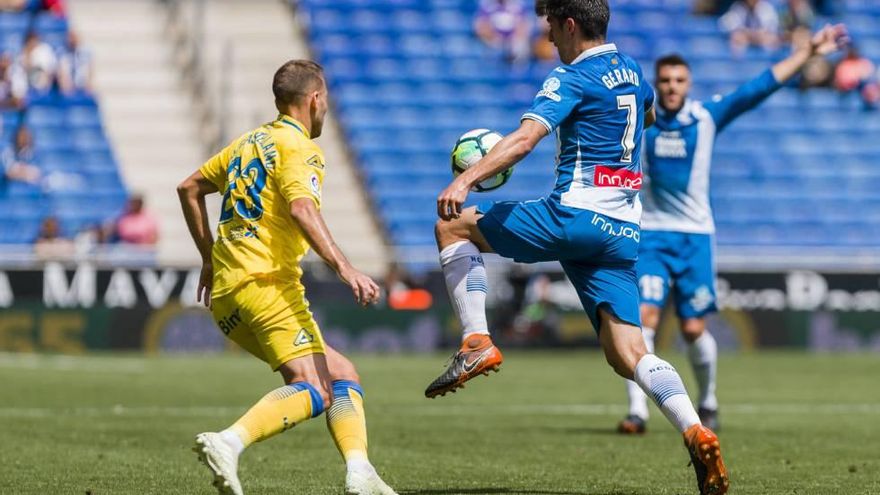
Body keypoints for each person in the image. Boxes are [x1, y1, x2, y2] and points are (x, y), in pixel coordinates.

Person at [426, 1, 728, 493]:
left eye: (549, 25)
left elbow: (525, 140)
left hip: (574, 215)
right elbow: (647, 113)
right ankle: (695, 429)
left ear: (570, 25)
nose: (546, 37)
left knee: (453, 228)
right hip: (624, 229)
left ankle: (476, 340)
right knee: (625, 351)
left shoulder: (571, 77)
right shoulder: (631, 69)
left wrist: (468, 179)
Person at [177, 59, 396, 495]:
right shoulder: (300, 148)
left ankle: (360, 472)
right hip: (267, 285)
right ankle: (228, 441)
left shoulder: (248, 142)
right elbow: (302, 208)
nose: (327, 109)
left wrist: (208, 258)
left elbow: (189, 188)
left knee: (340, 373)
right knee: (313, 388)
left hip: (226, 296)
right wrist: (346, 267)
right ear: (314, 99)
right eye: (326, 100)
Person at [617, 24, 848, 436]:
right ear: (657, 83)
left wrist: (808, 53)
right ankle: (638, 412)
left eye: (679, 80)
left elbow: (758, 88)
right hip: (651, 234)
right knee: (644, 320)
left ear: (688, 84)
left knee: (692, 329)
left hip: (695, 237)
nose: (671, 87)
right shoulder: (642, 123)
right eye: (665, 80)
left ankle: (708, 400)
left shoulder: (706, 117)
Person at [833, 46, 879, 110]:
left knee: (867, 86)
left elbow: (869, 75)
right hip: (845, 90)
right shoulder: (843, 64)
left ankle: (870, 103)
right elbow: (842, 79)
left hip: (860, 87)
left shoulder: (863, 62)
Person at [58, 31, 94, 97]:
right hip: (68, 87)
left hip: (82, 85)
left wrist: (88, 86)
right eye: (70, 38)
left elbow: (89, 70)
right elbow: (61, 72)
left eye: (74, 37)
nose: (72, 40)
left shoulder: (86, 52)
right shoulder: (62, 53)